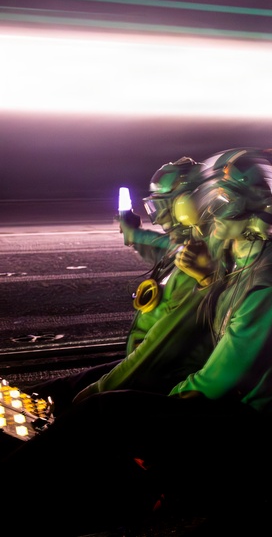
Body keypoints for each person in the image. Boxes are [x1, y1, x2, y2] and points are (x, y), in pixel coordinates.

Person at [1, 148, 272, 532]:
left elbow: (210, 384)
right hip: (247, 423)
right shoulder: (254, 260)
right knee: (89, 386)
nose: (201, 228)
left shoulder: (269, 284)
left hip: (260, 445)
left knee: (104, 411)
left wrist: (125, 405)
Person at [22, 156, 215, 414]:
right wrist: (133, 232)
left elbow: (158, 350)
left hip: (164, 375)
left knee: (65, 403)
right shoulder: (188, 249)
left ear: (187, 204)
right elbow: (160, 247)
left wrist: (95, 392)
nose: (157, 220)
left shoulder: (200, 266)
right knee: (49, 391)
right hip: (149, 365)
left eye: (161, 208)